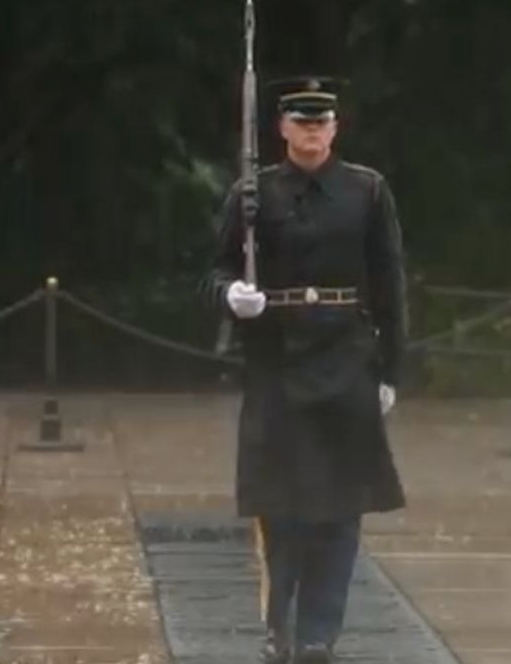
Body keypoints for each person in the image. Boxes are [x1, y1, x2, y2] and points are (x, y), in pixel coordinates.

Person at [206, 76, 406, 664]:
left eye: (322, 121)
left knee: (340, 510)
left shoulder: (367, 191)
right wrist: (232, 296)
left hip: (346, 359)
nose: (312, 130)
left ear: (336, 127)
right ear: (282, 127)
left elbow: (390, 285)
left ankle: (320, 634)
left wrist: (391, 369)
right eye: (301, 120)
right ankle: (280, 625)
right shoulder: (252, 194)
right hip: (277, 359)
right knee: (281, 506)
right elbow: (212, 273)